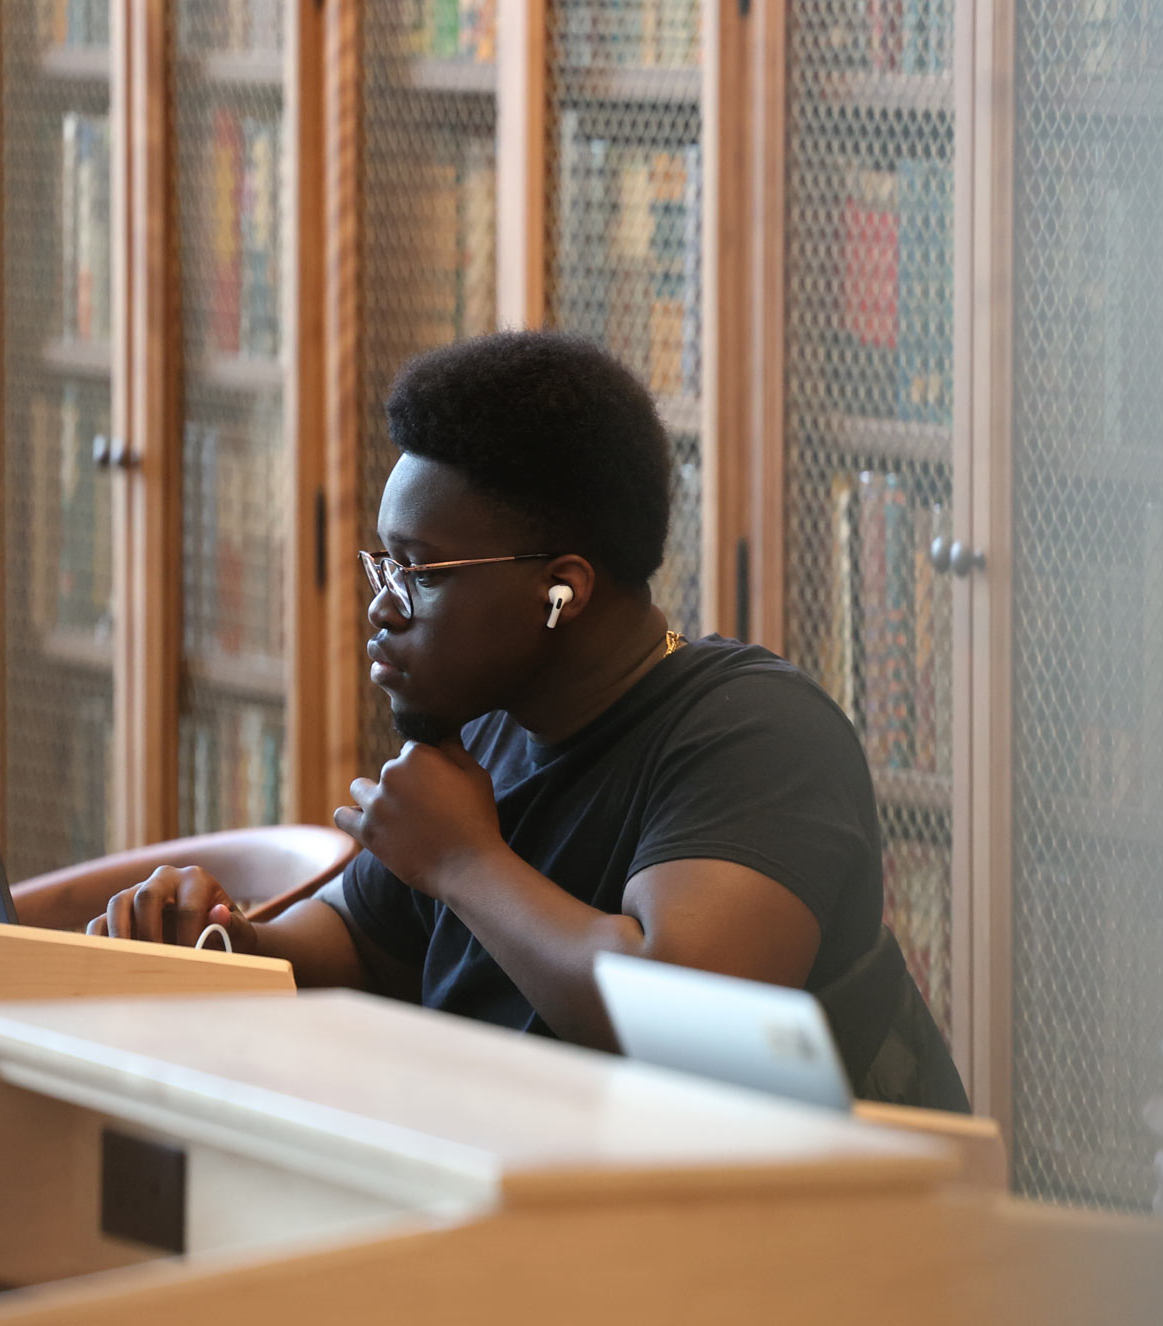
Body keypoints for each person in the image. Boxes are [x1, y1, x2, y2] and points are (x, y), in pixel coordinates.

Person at [89, 330, 967, 1111]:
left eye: (421, 573)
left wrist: (467, 862)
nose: (383, 610)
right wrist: (225, 944)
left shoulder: (756, 733)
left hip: (784, 1248)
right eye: (383, 568)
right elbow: (365, 944)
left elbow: (693, 1030)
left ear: (563, 591)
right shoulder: (494, 722)